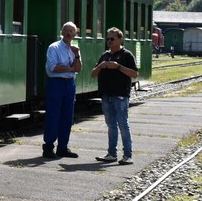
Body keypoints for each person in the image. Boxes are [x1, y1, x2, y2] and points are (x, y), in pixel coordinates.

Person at [92, 27, 138, 165]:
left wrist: (118, 67)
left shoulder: (126, 55)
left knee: (123, 125)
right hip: (106, 95)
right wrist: (101, 66)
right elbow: (93, 74)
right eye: (107, 39)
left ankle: (128, 155)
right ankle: (111, 153)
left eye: (112, 39)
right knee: (111, 125)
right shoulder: (105, 55)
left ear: (120, 39)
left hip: (120, 95)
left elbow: (135, 74)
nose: (109, 41)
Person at [43, 21, 82, 159]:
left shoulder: (75, 49)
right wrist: (70, 68)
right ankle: (48, 147)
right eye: (67, 30)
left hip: (70, 84)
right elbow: (53, 67)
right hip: (56, 84)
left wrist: (76, 56)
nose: (69, 33)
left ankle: (63, 147)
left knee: (67, 116)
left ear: (75, 34)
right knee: (53, 115)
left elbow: (78, 69)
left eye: (72, 31)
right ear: (62, 32)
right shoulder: (54, 47)